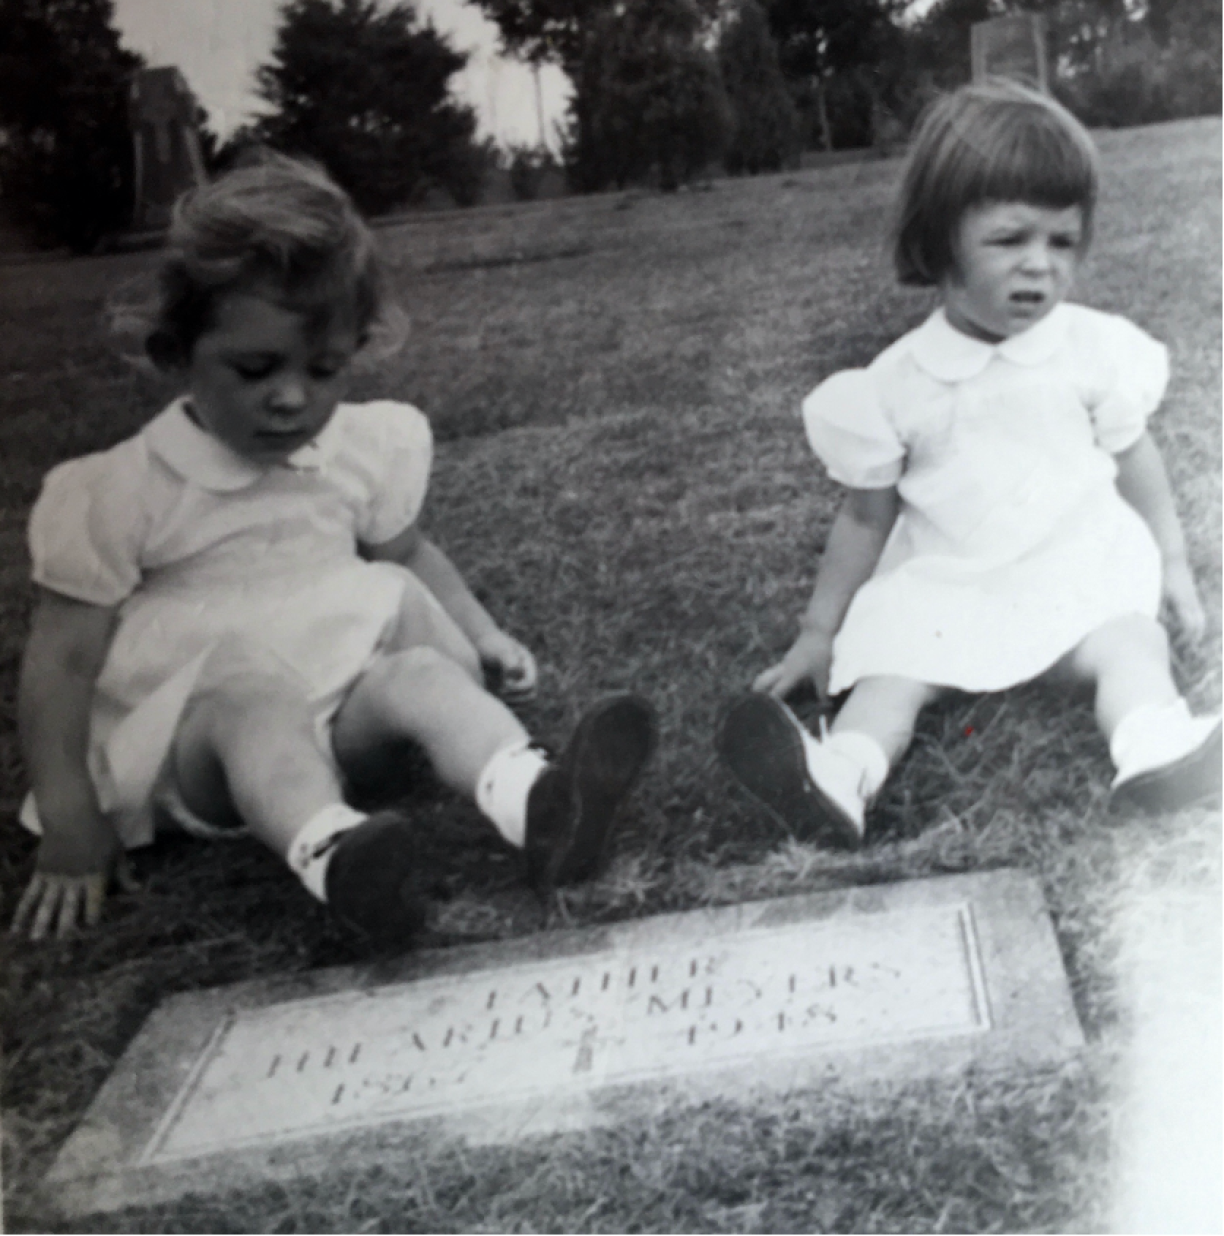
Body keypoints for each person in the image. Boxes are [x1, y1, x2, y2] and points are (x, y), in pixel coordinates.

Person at [12, 155, 655, 943]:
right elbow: (62, 663)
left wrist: (481, 633)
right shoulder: (124, 490)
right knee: (253, 696)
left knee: (418, 671)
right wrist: (71, 817)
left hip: (343, 708)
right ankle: (336, 854)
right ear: (175, 355)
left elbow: (409, 554)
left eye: (324, 370)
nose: (292, 397)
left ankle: (535, 798)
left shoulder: (355, 448)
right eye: (256, 369)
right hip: (210, 741)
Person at [718, 80, 1220, 846]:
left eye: (1062, 242)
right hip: (951, 584)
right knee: (891, 673)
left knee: (1131, 641)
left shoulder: (1090, 349)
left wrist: (1174, 562)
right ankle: (841, 775)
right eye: (1010, 239)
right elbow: (864, 514)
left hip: (1071, 572)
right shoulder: (896, 383)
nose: (1039, 268)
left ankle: (1151, 743)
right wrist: (819, 631)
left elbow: (1134, 457)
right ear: (940, 238)